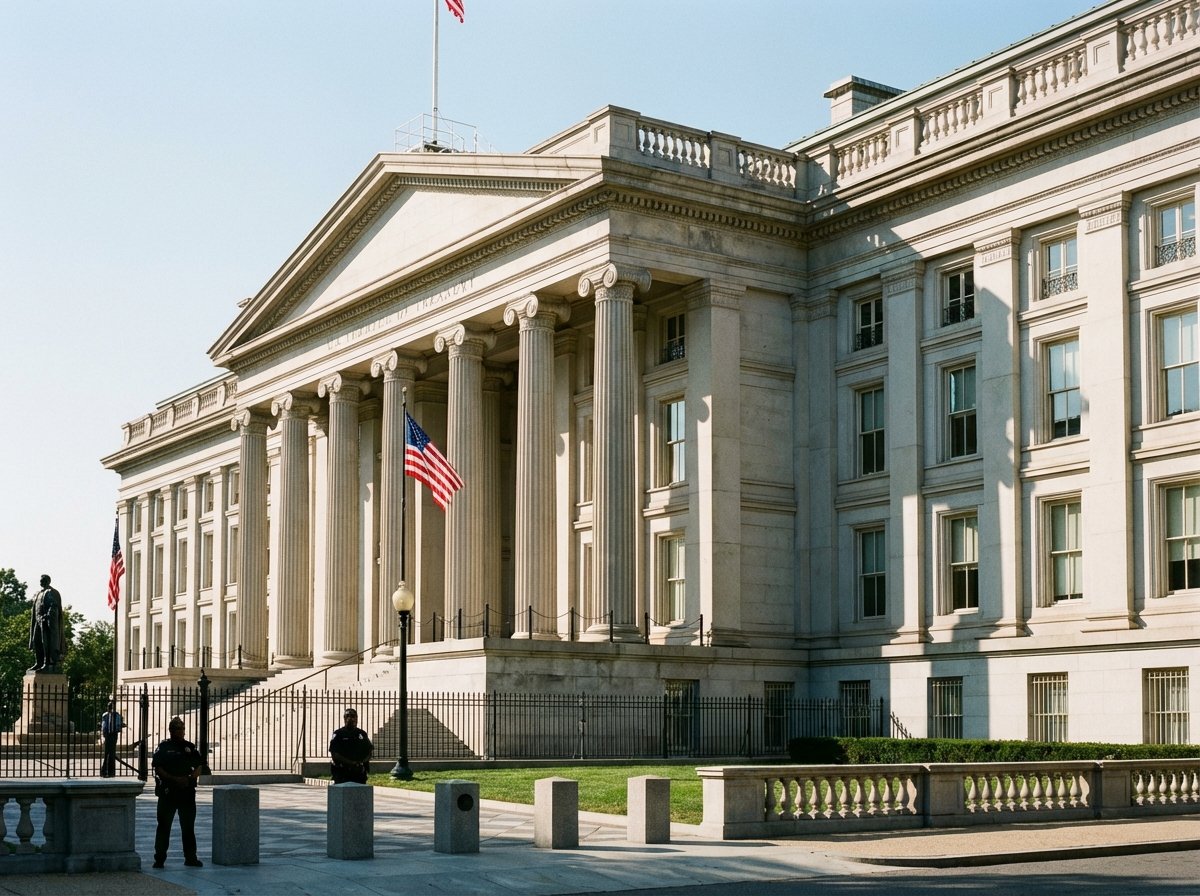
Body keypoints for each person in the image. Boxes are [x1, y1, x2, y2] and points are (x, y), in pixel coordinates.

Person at [151, 716, 203, 869]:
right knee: (164, 826)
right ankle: (159, 858)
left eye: (182, 728)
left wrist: (188, 778)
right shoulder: (164, 747)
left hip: (186, 792)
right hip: (168, 792)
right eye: (178, 728)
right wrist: (174, 779)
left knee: (188, 827)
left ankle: (190, 857)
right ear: (171, 730)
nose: (181, 731)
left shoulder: (190, 747)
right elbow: (158, 768)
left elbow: (199, 765)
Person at [28, 575, 65, 672]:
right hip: (38, 622)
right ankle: (39, 662)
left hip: (46, 622)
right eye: (40, 581)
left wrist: (47, 617)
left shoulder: (51, 592)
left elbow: (53, 606)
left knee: (46, 643)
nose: (41, 582)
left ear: (48, 581)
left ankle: (47, 663)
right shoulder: (39, 593)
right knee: (37, 641)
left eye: (43, 581)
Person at [329, 707, 373, 784]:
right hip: (342, 772)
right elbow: (335, 754)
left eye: (352, 716)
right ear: (344, 718)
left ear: (356, 718)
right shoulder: (338, 734)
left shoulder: (362, 734)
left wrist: (361, 763)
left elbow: (369, 751)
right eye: (347, 716)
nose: (350, 718)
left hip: (359, 773)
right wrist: (351, 763)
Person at [100, 700, 124, 777]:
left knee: (112, 753)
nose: (110, 708)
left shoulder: (117, 715)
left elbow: (119, 724)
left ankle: (111, 771)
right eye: (109, 706)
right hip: (107, 735)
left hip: (114, 734)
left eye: (111, 706)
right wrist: (103, 734)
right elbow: (103, 726)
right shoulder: (105, 715)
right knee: (107, 753)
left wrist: (120, 726)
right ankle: (104, 770)